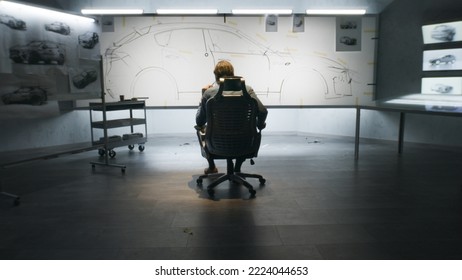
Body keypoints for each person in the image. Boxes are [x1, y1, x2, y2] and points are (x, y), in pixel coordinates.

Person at [196, 60, 268, 174]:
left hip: (217, 143)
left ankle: (212, 167)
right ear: (233, 74)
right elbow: (263, 111)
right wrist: (259, 125)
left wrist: (203, 95)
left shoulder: (209, 93)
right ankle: (237, 168)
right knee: (243, 133)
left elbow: (199, 121)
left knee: (199, 130)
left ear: (216, 75)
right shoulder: (247, 90)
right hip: (244, 142)